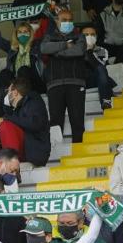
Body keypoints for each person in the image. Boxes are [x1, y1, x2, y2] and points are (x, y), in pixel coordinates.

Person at [39, 8, 89, 144]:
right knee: (55, 122)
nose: (68, 22)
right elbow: (43, 48)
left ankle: (78, 152)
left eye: (70, 20)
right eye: (64, 20)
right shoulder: (49, 36)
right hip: (54, 84)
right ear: (57, 21)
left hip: (76, 82)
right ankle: (56, 152)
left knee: (77, 120)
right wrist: (65, 45)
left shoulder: (80, 36)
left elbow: (78, 51)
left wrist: (56, 52)